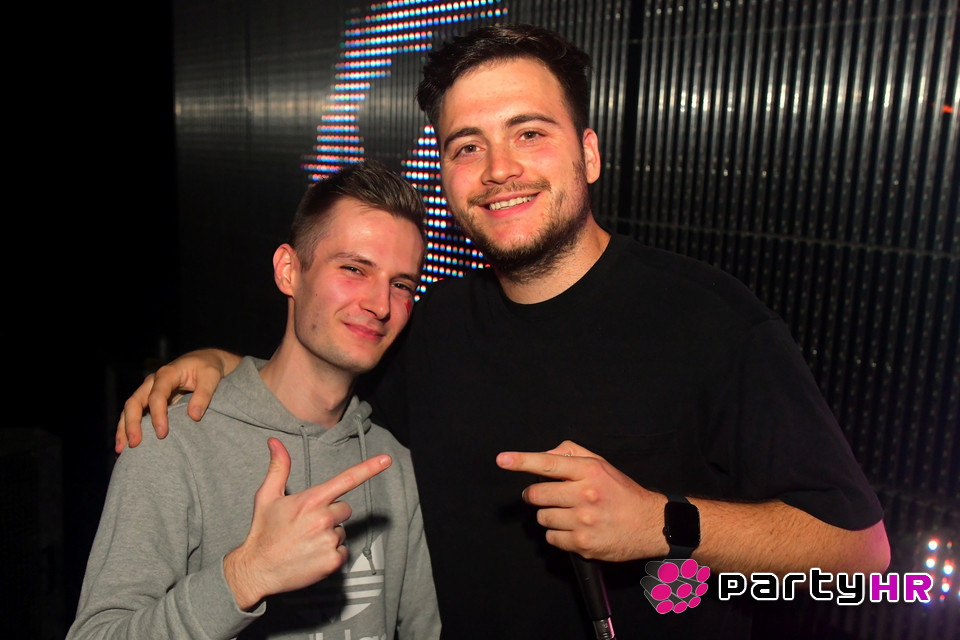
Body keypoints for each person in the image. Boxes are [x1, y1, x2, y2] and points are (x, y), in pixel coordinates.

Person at [117, 25, 889, 638]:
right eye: (467, 146)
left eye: (529, 133)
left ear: (589, 153)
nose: (497, 169)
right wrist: (221, 362)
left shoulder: (711, 321)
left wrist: (662, 522)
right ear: (446, 176)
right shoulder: (430, 324)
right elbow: (318, 377)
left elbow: (864, 557)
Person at [70, 161, 440, 639]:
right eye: (354, 269)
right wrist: (246, 575)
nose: (381, 304)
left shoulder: (394, 465)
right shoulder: (175, 439)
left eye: (401, 285)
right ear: (289, 271)